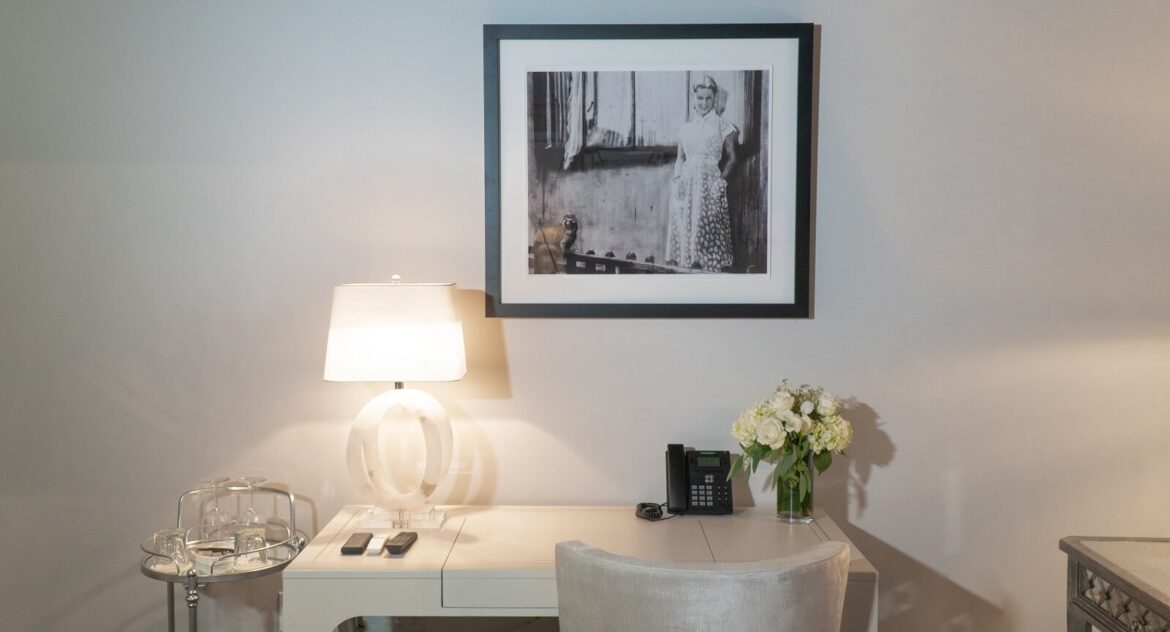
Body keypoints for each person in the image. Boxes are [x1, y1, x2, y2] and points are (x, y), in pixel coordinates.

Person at [665, 75, 738, 272]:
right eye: (700, 98)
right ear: (694, 98)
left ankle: (709, 271)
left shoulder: (724, 126)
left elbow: (732, 158)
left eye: (708, 99)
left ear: (714, 99)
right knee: (685, 226)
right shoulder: (685, 129)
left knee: (708, 227)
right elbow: (680, 158)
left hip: (710, 182)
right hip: (686, 183)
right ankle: (686, 268)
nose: (704, 103)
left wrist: (721, 181)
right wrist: (677, 180)